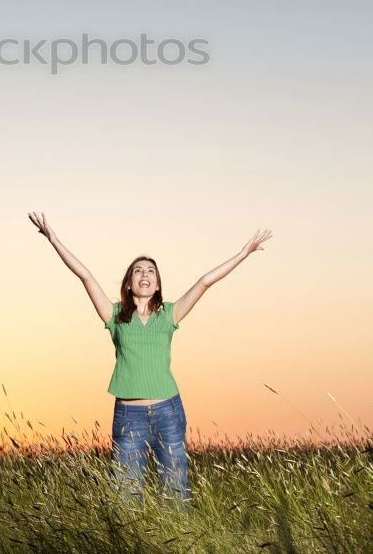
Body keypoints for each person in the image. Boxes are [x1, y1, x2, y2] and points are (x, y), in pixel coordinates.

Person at [27, 211, 273, 511]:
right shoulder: (114, 315)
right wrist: (54, 239)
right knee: (125, 498)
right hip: (129, 418)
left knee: (175, 494)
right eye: (138, 271)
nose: (145, 275)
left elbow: (205, 281)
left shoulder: (169, 314)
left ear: (157, 285)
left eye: (151, 272)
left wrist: (243, 253)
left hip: (168, 412)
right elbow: (86, 276)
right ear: (129, 284)